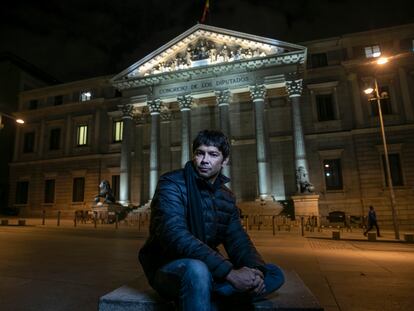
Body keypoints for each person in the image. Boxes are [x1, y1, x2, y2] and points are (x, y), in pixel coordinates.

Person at [139, 130, 285, 311]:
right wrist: (229, 273)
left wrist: (255, 271)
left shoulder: (226, 196)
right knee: (197, 270)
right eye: (200, 153)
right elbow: (174, 235)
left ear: (225, 160)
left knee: (273, 272)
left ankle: (212, 294)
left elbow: (238, 240)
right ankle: (221, 293)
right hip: (168, 266)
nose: (204, 160)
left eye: (213, 154)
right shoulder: (171, 183)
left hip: (209, 265)